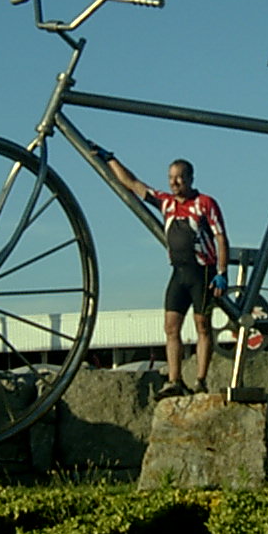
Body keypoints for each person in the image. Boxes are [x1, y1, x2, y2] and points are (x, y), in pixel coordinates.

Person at [97, 147, 228, 398]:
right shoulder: (166, 202)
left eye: (179, 177)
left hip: (202, 272)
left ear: (190, 178)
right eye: (171, 177)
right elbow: (132, 183)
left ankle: (200, 380)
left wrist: (221, 272)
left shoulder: (205, 204)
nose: (174, 182)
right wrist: (110, 158)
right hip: (178, 273)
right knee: (170, 327)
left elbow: (221, 238)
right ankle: (174, 380)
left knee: (202, 326)